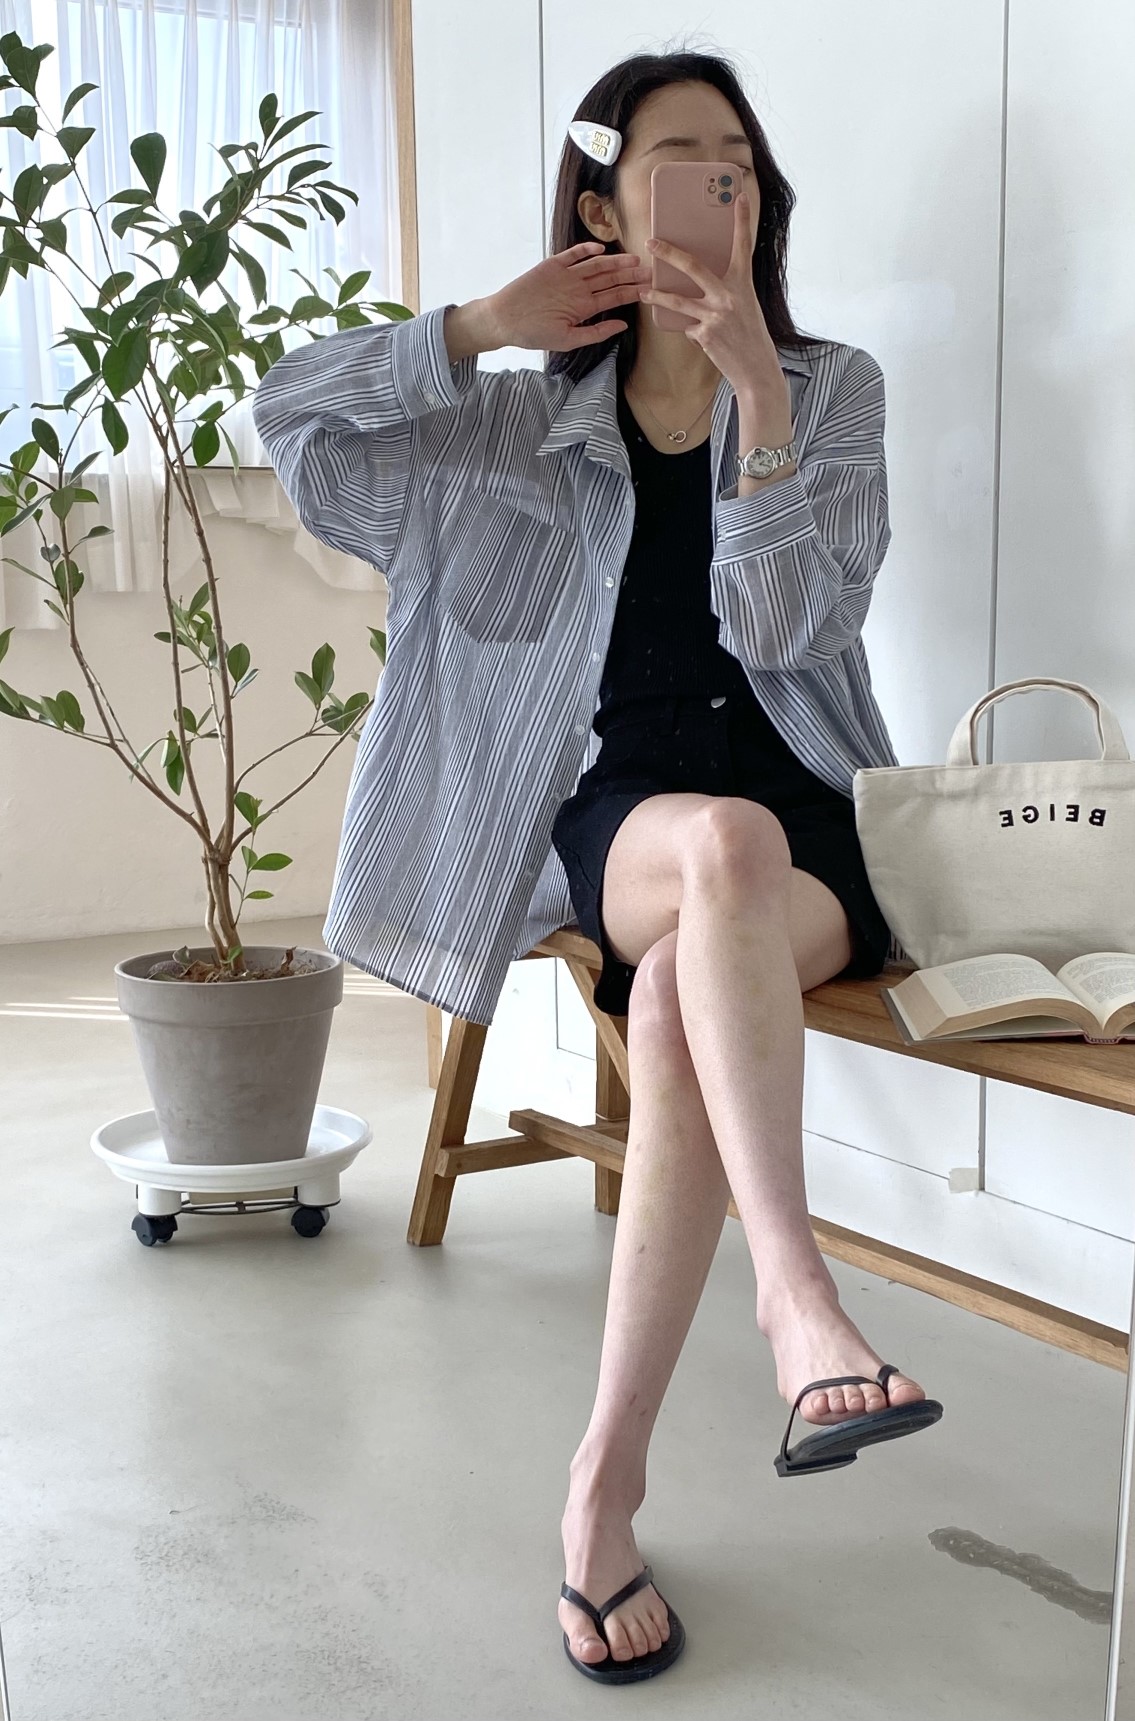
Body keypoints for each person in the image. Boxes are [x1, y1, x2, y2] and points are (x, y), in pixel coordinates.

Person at [253, 44, 942, 1692]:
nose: (723, 181)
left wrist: (759, 396)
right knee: (710, 848)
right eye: (681, 157)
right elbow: (295, 429)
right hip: (627, 821)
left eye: (739, 161)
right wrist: (475, 328)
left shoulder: (834, 388)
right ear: (602, 208)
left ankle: (601, 1489)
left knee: (717, 925)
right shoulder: (512, 427)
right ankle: (797, 1297)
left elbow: (788, 628)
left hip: (809, 823)